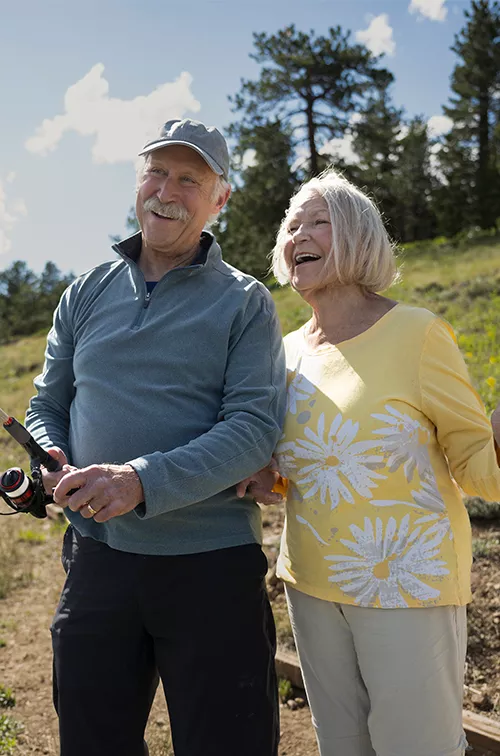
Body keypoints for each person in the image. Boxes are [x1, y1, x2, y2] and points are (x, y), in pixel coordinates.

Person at [25, 118, 286, 756]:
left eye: (189, 179)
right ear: (137, 183)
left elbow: (254, 428)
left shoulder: (246, 303)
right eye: (155, 173)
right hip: (98, 560)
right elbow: (46, 402)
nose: (165, 190)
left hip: (211, 566)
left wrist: (139, 480)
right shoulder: (85, 291)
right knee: (92, 741)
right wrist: (49, 451)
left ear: (220, 198)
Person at [239, 169, 500, 756]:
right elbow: (306, 465)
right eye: (291, 224)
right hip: (310, 581)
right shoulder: (283, 352)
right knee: (342, 745)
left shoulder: (418, 334)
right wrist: (267, 475)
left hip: (409, 584)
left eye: (317, 221)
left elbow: (481, 471)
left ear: (358, 235)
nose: (298, 233)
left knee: (419, 747)